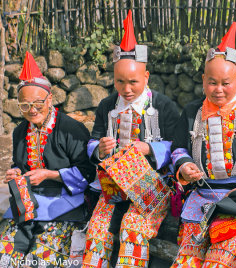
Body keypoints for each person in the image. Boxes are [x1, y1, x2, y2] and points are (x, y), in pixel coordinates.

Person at [170, 22, 236, 268]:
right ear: (203, 80)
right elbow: (179, 149)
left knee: (220, 259)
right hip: (202, 199)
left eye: (225, 83)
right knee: (186, 259)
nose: (218, 90)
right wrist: (185, 165)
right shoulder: (191, 112)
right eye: (212, 82)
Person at [82, 10, 180, 268]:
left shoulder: (164, 106)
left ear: (146, 77)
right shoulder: (106, 106)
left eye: (133, 82)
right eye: (119, 81)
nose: (126, 89)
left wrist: (150, 147)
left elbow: (179, 146)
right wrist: (101, 149)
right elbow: (92, 141)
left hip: (151, 186)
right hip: (113, 187)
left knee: (133, 228)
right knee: (98, 229)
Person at [0, 51, 96, 267]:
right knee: (5, 255)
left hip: (65, 204)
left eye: (38, 103)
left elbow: (89, 173)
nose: (32, 110)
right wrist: (16, 173)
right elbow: (20, 164)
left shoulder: (72, 130)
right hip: (29, 203)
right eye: (24, 105)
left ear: (50, 98)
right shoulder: (19, 132)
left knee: (41, 260)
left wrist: (50, 175)